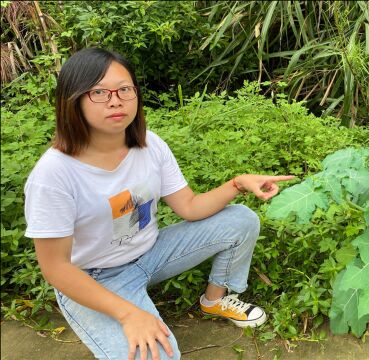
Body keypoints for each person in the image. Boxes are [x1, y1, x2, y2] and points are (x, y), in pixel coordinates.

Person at [23, 47, 294, 360]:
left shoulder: (150, 145)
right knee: (157, 355)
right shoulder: (54, 174)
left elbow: (190, 206)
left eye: (124, 89)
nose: (115, 100)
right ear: (73, 100)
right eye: (98, 92)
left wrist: (237, 183)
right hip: (95, 278)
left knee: (240, 220)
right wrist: (128, 314)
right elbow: (56, 268)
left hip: (151, 253)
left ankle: (214, 300)